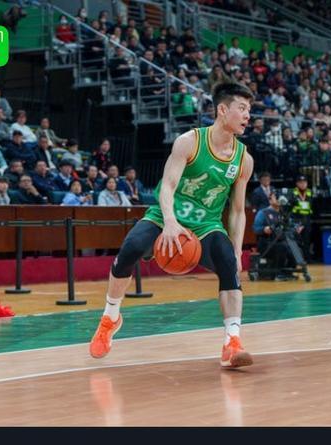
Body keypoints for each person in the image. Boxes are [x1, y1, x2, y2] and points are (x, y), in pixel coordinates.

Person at [89, 81, 255, 368]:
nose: (247, 115)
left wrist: (237, 249)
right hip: (167, 215)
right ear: (222, 110)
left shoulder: (244, 159)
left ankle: (232, 341)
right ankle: (110, 317)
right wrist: (169, 222)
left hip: (206, 225)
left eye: (249, 110)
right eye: (242, 108)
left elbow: (238, 211)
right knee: (131, 248)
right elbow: (167, 186)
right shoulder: (190, 141)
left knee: (228, 263)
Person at [252, 190, 291, 279]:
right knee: (282, 247)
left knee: (292, 247)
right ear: (270, 200)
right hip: (266, 244)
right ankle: (277, 273)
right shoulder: (263, 212)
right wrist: (264, 229)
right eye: (275, 197)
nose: (278, 198)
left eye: (279, 196)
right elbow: (255, 228)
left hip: (280, 241)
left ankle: (288, 272)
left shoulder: (283, 213)